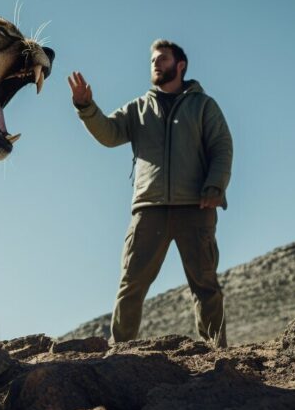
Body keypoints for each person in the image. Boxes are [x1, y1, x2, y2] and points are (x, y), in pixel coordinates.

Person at [68, 39, 233, 348]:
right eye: (153, 60)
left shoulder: (203, 105)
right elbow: (108, 133)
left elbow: (222, 147)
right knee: (131, 284)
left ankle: (216, 351)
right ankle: (121, 350)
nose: (156, 64)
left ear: (180, 65)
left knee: (205, 285)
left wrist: (215, 186)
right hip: (148, 209)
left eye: (163, 59)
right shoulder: (138, 108)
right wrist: (85, 106)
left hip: (195, 207)